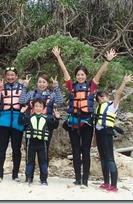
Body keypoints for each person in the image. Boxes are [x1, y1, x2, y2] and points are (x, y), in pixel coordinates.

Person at [52, 46, 116, 187]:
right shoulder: (71, 87)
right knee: (76, 151)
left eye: (82, 74)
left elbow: (99, 73)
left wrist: (107, 61)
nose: (80, 77)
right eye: (78, 75)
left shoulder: (91, 87)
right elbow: (65, 72)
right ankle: (77, 178)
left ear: (86, 76)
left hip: (87, 122)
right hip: (74, 121)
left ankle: (85, 180)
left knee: (85, 151)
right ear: (76, 76)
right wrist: (58, 57)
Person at [19, 72, 64, 182]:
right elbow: (21, 101)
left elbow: (60, 101)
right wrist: (24, 87)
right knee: (30, 153)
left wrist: (56, 87)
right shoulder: (31, 93)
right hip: (32, 125)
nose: (41, 84)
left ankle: (43, 177)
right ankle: (29, 177)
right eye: (40, 82)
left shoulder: (51, 94)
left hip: (46, 126)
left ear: (47, 83)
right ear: (37, 83)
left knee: (44, 152)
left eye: (44, 82)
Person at [95, 74, 133, 192]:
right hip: (99, 134)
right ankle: (106, 182)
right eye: (99, 99)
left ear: (107, 97)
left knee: (109, 158)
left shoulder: (112, 106)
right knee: (102, 158)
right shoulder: (99, 108)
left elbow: (118, 94)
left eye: (102, 97)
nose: (101, 100)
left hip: (107, 133)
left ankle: (114, 185)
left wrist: (124, 82)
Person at [18, 98, 61, 186]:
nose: (38, 108)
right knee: (30, 161)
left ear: (44, 108)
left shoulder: (46, 119)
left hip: (42, 144)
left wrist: (57, 118)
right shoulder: (29, 118)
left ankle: (44, 179)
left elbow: (54, 126)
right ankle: (28, 178)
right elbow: (20, 122)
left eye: (40, 106)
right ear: (33, 107)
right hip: (31, 143)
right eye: (36, 106)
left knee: (43, 161)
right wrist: (21, 113)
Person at [0, 66, 24, 182]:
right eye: (8, 75)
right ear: (5, 76)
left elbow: (27, 103)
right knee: (2, 147)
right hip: (4, 120)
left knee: (16, 148)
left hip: (17, 120)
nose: (10, 77)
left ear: (17, 76)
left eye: (13, 75)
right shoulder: (1, 88)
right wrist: (0, 90)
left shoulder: (22, 88)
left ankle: (15, 174)